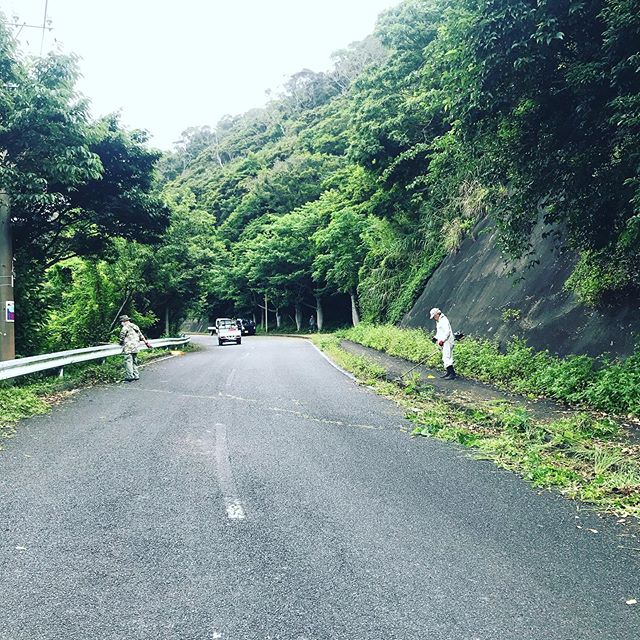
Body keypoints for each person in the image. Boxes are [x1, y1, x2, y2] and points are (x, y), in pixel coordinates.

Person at [118, 315, 151, 382]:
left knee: (128, 361)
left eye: (121, 322)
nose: (121, 323)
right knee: (134, 361)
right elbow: (141, 335)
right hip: (136, 346)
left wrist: (120, 342)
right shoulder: (135, 326)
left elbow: (122, 336)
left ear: (124, 321)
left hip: (129, 347)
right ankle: (136, 375)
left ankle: (129, 377)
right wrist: (146, 343)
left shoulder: (125, 327)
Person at [430, 307, 456, 380]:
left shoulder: (443, 320)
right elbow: (440, 332)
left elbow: (447, 332)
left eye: (434, 316)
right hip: (444, 341)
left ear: (437, 314)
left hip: (448, 341)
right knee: (445, 357)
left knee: (446, 357)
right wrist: (435, 338)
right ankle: (448, 372)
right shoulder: (438, 321)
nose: (434, 318)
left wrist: (442, 340)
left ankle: (452, 374)